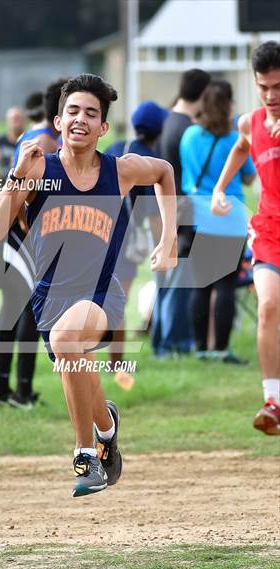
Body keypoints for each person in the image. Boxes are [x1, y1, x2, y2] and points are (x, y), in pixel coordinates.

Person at [0, 73, 177, 497]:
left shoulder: (119, 171)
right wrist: (15, 175)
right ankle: (107, 430)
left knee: (69, 340)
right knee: (79, 373)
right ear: (57, 121)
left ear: (104, 128)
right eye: (72, 111)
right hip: (50, 299)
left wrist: (169, 238)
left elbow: (163, 172)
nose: (80, 120)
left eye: (92, 113)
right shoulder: (38, 170)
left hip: (103, 295)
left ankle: (85, 454)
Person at [212, 42, 280, 435]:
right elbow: (241, 148)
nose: (270, 96)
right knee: (268, 306)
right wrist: (221, 188)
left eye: (278, 87)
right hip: (270, 229)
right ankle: (272, 401)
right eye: (263, 87)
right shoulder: (249, 122)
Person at [0, 80, 66, 409]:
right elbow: (28, 199)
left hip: (16, 235)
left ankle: (2, 391)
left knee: (13, 312)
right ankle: (18, 392)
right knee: (28, 315)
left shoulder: (34, 135)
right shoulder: (46, 142)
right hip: (24, 237)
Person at [180, 80, 256, 363]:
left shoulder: (189, 136)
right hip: (229, 216)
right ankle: (221, 348)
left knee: (200, 286)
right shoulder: (233, 138)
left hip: (198, 215)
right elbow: (248, 175)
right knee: (225, 286)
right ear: (228, 106)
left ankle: (201, 347)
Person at [105, 100, 168, 389]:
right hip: (123, 237)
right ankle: (115, 363)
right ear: (159, 129)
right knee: (118, 302)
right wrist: (163, 246)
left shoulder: (116, 147)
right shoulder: (150, 159)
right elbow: (155, 212)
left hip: (94, 229)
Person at [152, 69, 211, 358]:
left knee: (165, 281)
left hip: (162, 208)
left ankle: (161, 342)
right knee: (179, 282)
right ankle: (173, 345)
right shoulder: (188, 129)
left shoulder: (166, 121)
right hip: (182, 211)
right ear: (202, 95)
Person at [0, 106, 25, 179]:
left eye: (17, 119)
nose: (15, 122)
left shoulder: (29, 140)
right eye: (12, 119)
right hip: (4, 184)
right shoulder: (0, 141)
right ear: (7, 121)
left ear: (24, 121)